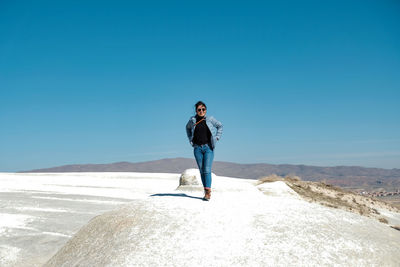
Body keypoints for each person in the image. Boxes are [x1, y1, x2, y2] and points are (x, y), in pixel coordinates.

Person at [186, 101, 223, 201]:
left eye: (203, 109)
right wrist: (190, 140)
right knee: (202, 171)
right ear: (196, 111)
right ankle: (205, 190)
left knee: (207, 170)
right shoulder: (192, 120)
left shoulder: (210, 119)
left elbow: (220, 126)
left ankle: (208, 193)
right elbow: (188, 128)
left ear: (206, 110)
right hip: (197, 148)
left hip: (208, 148)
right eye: (199, 110)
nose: (201, 111)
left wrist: (217, 137)